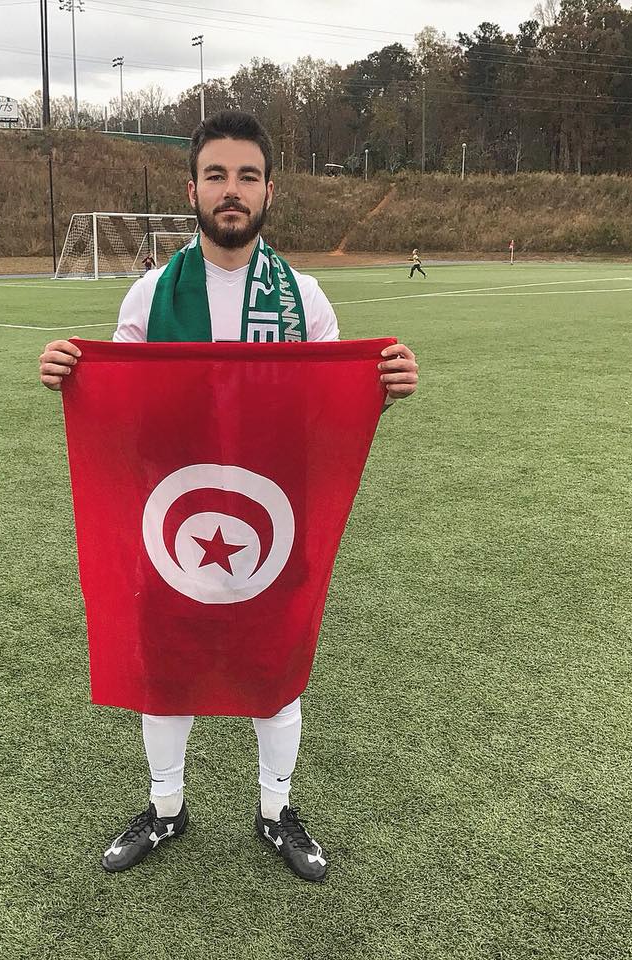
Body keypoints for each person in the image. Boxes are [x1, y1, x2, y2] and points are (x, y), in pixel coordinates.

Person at [38, 110, 419, 883]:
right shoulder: (151, 294)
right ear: (193, 190)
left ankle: (276, 812)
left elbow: (324, 414)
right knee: (166, 670)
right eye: (216, 175)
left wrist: (380, 388)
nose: (232, 190)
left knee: (273, 672)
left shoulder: (303, 297)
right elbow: (124, 405)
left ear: (270, 190)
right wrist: (72, 377)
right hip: (172, 519)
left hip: (272, 519)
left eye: (247, 175)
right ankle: (166, 807)